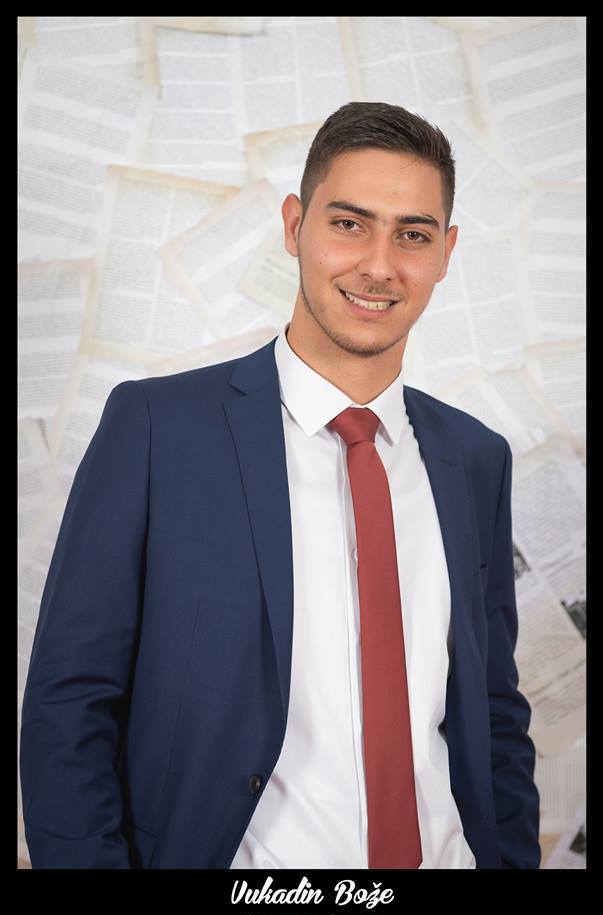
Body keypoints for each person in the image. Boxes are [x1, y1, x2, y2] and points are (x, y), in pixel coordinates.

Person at [19, 101, 541, 870]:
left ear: (444, 252)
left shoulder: (475, 457)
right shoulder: (158, 430)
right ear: (294, 226)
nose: (378, 265)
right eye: (349, 223)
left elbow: (492, 711)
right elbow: (69, 706)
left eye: (412, 234)